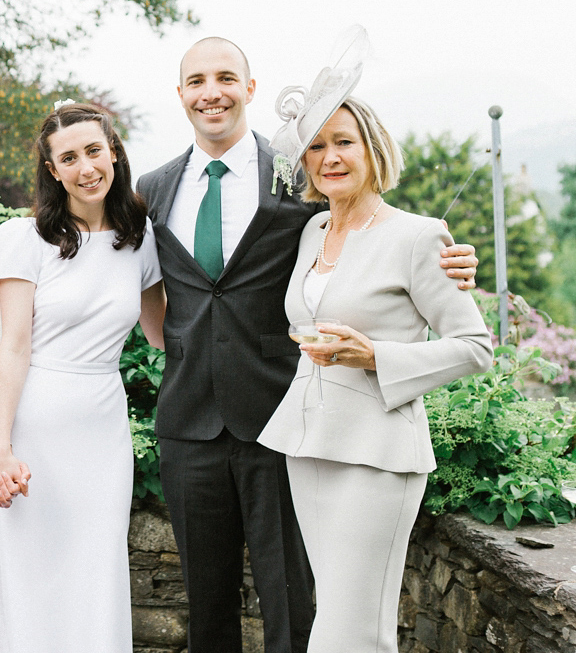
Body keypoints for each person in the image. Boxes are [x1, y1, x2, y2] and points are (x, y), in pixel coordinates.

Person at [135, 37, 479, 653]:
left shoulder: (293, 181)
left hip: (283, 420)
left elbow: (384, 238)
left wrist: (451, 262)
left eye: (225, 77)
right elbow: (134, 278)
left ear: (250, 87)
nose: (211, 91)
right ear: (180, 93)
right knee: (207, 607)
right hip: (194, 420)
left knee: (304, 610)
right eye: (196, 80)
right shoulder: (155, 188)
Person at [257, 96, 492, 651]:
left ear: (372, 148)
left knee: (352, 629)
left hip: (379, 452)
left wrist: (376, 357)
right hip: (309, 445)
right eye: (316, 145)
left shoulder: (418, 235)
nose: (329, 157)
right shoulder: (312, 230)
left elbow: (475, 347)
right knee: (336, 614)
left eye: (344, 142)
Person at [0, 102, 166, 653]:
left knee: (96, 564)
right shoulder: (23, 238)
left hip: (102, 424)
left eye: (94, 151)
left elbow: (164, 334)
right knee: (33, 567)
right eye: (69, 158)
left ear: (113, 153)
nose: (86, 167)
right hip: (36, 421)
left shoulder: (139, 237)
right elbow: (11, 349)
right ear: (51, 169)